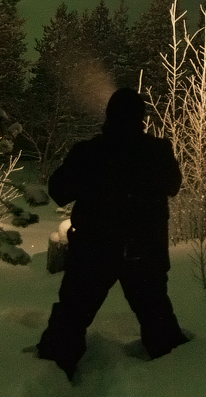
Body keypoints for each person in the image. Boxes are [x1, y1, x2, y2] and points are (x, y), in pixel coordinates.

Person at [33, 87, 190, 380]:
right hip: (143, 252)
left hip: (94, 251)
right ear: (141, 118)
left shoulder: (89, 152)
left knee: (71, 317)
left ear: (108, 116)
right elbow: (173, 185)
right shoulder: (157, 151)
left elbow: (58, 190)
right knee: (158, 320)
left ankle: (52, 372)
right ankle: (175, 379)